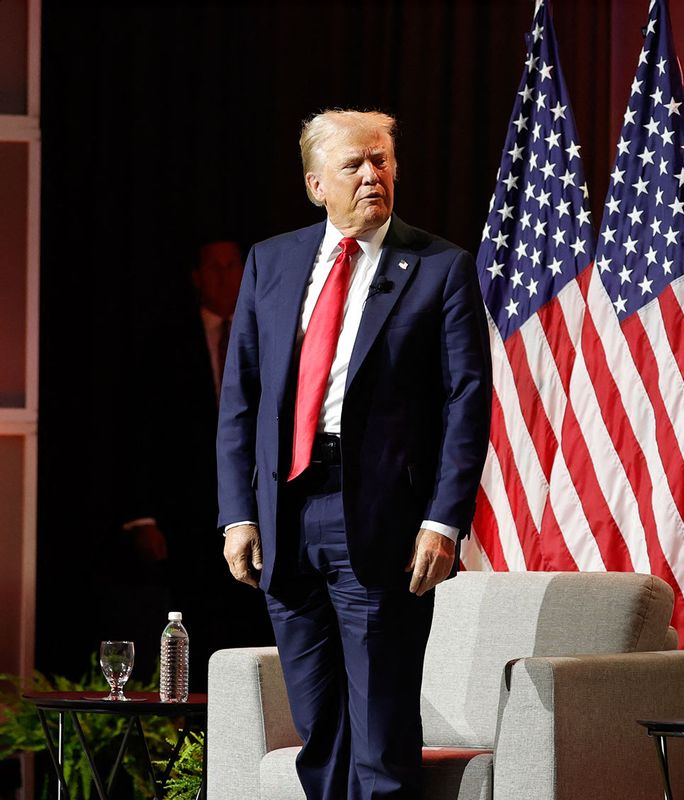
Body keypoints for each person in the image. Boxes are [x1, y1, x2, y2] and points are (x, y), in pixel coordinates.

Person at [216, 109, 491, 800]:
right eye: (354, 165)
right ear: (316, 185)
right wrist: (238, 514)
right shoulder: (272, 263)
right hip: (286, 512)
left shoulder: (440, 268)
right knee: (320, 735)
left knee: (380, 739)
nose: (373, 175)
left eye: (382, 160)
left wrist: (443, 521)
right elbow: (240, 399)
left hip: (381, 522)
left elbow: (468, 404)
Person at [120, 239, 273, 687]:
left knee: (252, 635)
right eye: (214, 267)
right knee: (193, 631)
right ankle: (193, 741)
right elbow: (140, 432)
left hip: (258, 512)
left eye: (233, 266)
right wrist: (142, 516)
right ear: (197, 277)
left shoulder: (270, 335)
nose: (225, 276)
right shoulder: (165, 342)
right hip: (184, 516)